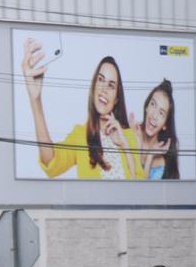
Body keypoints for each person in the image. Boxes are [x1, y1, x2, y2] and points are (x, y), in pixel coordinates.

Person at [20, 40, 139, 180]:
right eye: (100, 80)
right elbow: (51, 163)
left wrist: (124, 145)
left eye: (111, 85)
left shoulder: (129, 137)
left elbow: (141, 191)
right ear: (93, 86)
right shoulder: (80, 135)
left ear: (117, 98)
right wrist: (36, 101)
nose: (104, 89)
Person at [135, 80, 180, 180]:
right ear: (146, 106)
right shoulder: (132, 134)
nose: (154, 116)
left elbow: (142, 190)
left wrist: (150, 155)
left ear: (165, 125)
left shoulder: (163, 163)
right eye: (153, 104)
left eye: (161, 113)